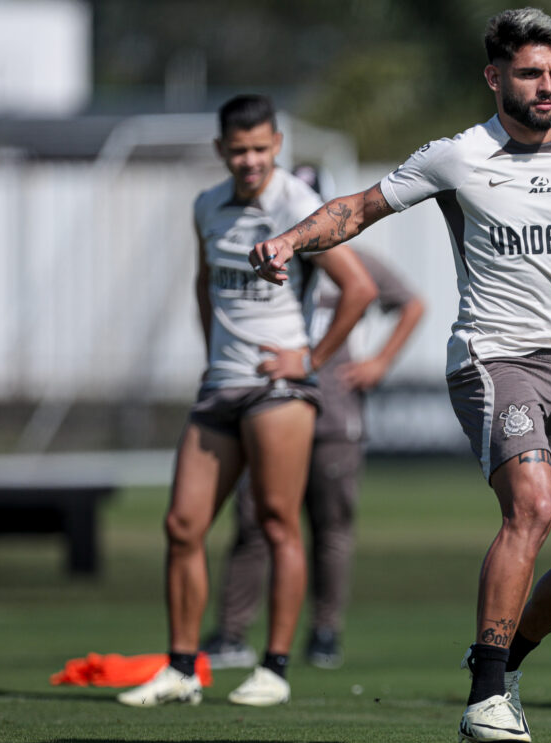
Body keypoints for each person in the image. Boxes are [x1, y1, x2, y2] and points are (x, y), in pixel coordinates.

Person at [248, 8, 551, 743]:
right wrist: (290, 239)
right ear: (495, 76)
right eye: (530, 73)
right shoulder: (458, 156)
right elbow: (357, 208)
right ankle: (486, 697)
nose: (546, 87)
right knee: (529, 507)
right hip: (492, 359)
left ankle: (502, 661)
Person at [116, 94, 376, 708]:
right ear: (220, 151)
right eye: (239, 150)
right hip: (221, 387)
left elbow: (359, 289)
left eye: (261, 148)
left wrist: (309, 359)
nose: (250, 160)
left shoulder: (299, 205)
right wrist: (212, 352)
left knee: (277, 523)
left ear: (277, 146)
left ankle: (275, 667)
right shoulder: (206, 206)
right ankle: (182, 669)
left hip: (278, 389)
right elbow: (206, 282)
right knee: (182, 525)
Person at [202, 164, 425, 671]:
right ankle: (232, 632)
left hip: (334, 413)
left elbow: (410, 304)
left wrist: (379, 363)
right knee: (255, 520)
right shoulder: (267, 259)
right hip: (273, 405)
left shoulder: (356, 261)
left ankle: (325, 631)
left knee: (330, 527)